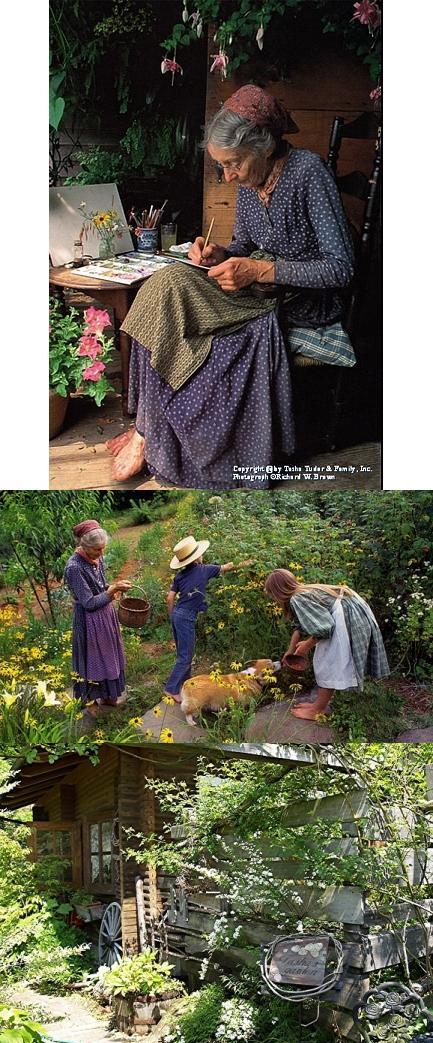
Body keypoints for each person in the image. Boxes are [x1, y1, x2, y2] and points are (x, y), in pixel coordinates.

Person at [113, 83, 354, 490]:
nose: (228, 175)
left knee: (177, 302)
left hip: (300, 303)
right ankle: (148, 425)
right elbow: (243, 245)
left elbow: (341, 269)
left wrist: (259, 271)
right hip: (258, 291)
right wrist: (219, 254)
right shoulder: (249, 181)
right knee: (164, 282)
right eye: (221, 166)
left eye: (234, 163)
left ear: (263, 147)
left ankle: (147, 429)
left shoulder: (309, 173)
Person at [263, 565, 390, 720]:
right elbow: (300, 625)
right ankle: (319, 704)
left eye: (272, 595)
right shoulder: (303, 591)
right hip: (353, 612)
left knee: (327, 663)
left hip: (344, 619)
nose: (274, 599)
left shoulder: (298, 599)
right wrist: (290, 650)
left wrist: (306, 646)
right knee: (329, 661)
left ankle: (318, 709)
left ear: (278, 592)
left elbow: (324, 628)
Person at [64, 521, 128, 707]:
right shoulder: (74, 568)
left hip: (105, 615)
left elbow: (101, 587)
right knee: (92, 661)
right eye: (97, 550)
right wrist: (112, 591)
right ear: (84, 546)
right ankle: (90, 701)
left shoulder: (98, 559)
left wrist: (115, 586)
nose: (101, 554)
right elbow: (89, 603)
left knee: (108, 656)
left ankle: (109, 695)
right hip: (88, 621)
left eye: (103, 549)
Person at [164, 532, 222, 698]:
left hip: (177, 615)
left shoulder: (179, 575)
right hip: (187, 616)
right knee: (186, 655)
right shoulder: (204, 570)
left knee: (183, 652)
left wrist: (172, 616)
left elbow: (169, 598)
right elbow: (226, 568)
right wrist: (245, 563)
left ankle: (185, 682)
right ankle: (171, 689)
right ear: (197, 557)